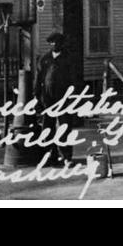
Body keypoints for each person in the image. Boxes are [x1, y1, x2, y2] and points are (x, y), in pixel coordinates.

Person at [35, 32, 74, 165]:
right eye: (52, 42)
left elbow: (74, 80)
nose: (55, 44)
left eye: (57, 42)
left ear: (61, 43)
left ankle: (66, 157)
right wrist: (37, 98)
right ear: (49, 44)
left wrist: (73, 97)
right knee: (47, 127)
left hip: (63, 98)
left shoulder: (68, 58)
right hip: (47, 98)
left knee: (64, 127)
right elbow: (38, 79)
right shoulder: (44, 59)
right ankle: (50, 156)